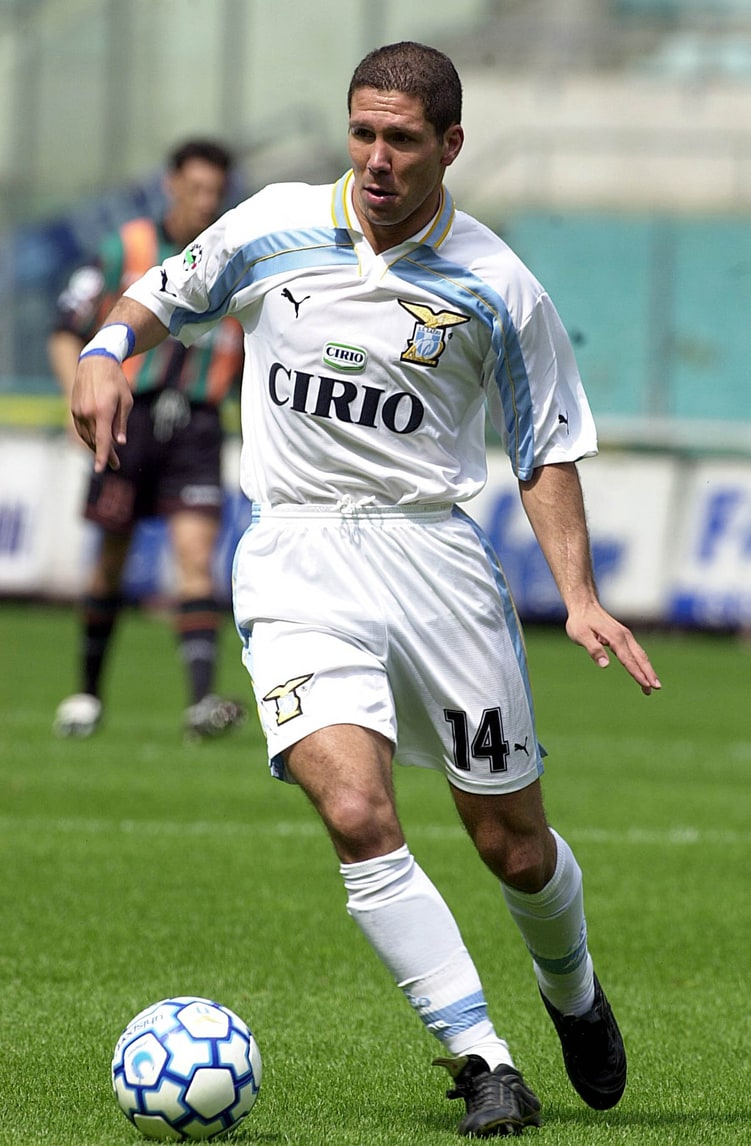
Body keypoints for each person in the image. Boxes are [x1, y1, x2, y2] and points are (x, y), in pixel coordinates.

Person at [68, 42, 662, 1137]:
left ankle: (572, 989)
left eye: (402, 139)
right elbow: (164, 291)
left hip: (433, 563)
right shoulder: (272, 227)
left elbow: (541, 449)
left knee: (511, 845)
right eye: (362, 133)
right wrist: (107, 349)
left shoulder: (497, 286)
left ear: (450, 144)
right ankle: (483, 1060)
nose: (377, 158)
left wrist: (577, 595)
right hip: (294, 556)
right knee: (353, 810)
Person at [50, 138, 247, 742]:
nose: (205, 201)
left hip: (198, 424)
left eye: (215, 191)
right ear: (172, 185)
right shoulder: (126, 248)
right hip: (128, 420)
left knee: (196, 558)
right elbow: (66, 328)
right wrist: (77, 398)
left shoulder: (237, 254)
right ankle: (86, 693)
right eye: (196, 188)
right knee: (110, 561)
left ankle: (200, 701)